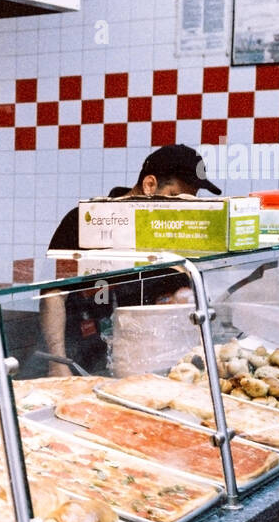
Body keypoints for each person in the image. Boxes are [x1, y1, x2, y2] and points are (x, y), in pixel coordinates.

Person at [38, 144, 221, 376]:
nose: (180, 207)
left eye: (188, 199)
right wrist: (58, 363)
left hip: (150, 361)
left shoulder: (173, 231)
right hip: (82, 359)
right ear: (150, 185)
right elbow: (53, 295)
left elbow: (176, 294)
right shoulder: (88, 221)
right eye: (175, 196)